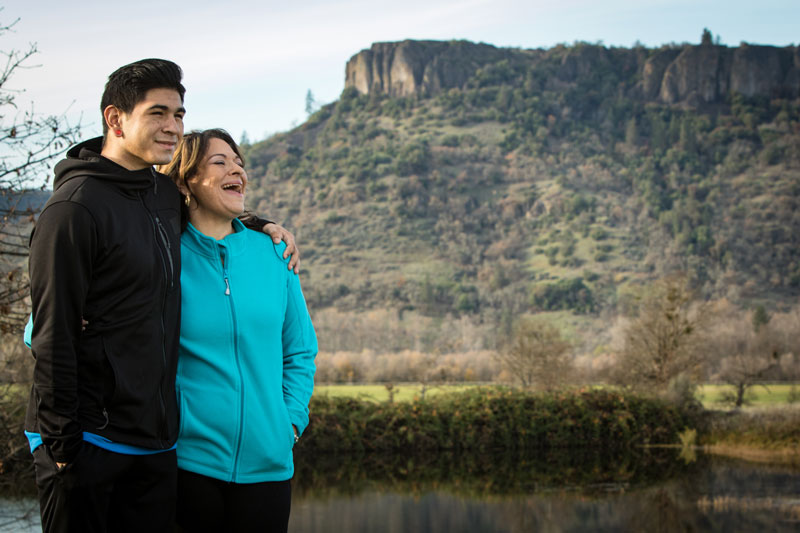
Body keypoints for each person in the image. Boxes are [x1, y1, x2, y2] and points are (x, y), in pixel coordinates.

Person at [24, 59, 299, 533]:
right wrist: (62, 449)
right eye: (157, 114)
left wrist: (260, 224)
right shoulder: (73, 210)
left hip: (154, 447)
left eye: (178, 114)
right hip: (88, 441)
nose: (172, 127)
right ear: (115, 119)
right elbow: (49, 335)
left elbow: (209, 202)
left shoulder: (160, 195)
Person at [159, 129, 317, 533]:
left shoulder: (274, 254)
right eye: (220, 162)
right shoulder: (163, 256)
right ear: (185, 180)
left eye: (239, 163)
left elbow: (299, 351)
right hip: (187, 466)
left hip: (269, 466)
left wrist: (290, 423)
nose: (237, 171)